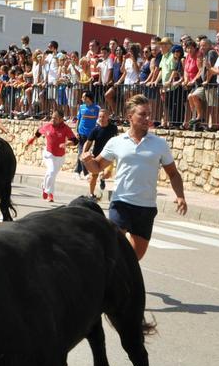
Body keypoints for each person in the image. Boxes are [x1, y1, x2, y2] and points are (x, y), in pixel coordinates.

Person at [81, 94, 188, 260]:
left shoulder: (159, 144)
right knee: (114, 250)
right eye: (142, 114)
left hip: (146, 208)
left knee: (133, 258)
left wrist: (180, 196)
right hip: (121, 203)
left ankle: (122, 281)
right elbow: (97, 167)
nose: (147, 118)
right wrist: (87, 161)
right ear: (130, 117)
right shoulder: (116, 142)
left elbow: (173, 173)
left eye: (149, 114)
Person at [26, 108, 77, 203]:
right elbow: (38, 132)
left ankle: (44, 186)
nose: (53, 120)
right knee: (51, 171)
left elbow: (75, 141)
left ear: (61, 119)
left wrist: (66, 144)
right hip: (48, 154)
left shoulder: (65, 128)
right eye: (52, 118)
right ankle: (50, 193)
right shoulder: (48, 126)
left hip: (60, 156)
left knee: (52, 174)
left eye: (55, 118)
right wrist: (31, 140)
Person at [83, 109, 118, 199]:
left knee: (107, 174)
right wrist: (83, 153)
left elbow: (117, 141)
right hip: (97, 156)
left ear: (108, 117)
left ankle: (102, 178)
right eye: (100, 117)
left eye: (103, 116)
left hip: (109, 156)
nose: (101, 118)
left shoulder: (113, 128)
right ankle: (91, 194)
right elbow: (88, 142)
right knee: (94, 176)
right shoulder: (95, 129)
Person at [73, 92, 100, 179]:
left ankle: (77, 171)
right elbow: (78, 119)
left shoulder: (96, 108)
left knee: (85, 153)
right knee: (82, 152)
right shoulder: (81, 107)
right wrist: (76, 131)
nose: (82, 98)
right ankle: (85, 173)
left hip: (91, 134)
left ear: (88, 98)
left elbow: (98, 120)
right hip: (82, 133)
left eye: (84, 97)